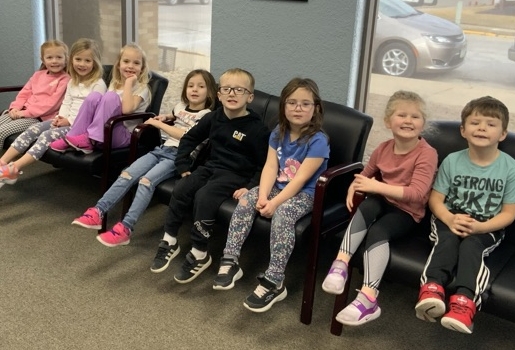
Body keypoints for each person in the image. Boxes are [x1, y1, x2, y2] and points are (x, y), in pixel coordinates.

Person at [321, 91, 438, 325]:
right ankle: (340, 263)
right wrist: (353, 187)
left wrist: (375, 186)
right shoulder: (383, 148)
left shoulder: (427, 154)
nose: (408, 120)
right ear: (388, 121)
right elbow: (365, 174)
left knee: (378, 231)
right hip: (383, 201)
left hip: (408, 212)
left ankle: (369, 298)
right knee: (367, 205)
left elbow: (416, 194)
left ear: (423, 124)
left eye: (415, 116)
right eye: (401, 115)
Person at [215, 78, 330, 312]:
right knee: (246, 199)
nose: (298, 108)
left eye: (305, 104)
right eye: (292, 102)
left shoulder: (319, 141)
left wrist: (275, 203)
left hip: (304, 194)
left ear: (316, 108)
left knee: (284, 214)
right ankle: (231, 259)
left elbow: (300, 179)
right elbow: (270, 166)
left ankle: (275, 280)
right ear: (283, 106)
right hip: (278, 187)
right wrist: (262, 196)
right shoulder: (279, 132)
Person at [415, 96, 515, 334]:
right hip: (450, 217)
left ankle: (464, 303)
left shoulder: (511, 169)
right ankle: (432, 289)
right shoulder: (452, 161)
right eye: (475, 123)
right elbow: (435, 199)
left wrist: (480, 228)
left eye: (491, 124)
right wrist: (449, 218)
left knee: (471, 247)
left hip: (487, 225)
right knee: (446, 240)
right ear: (463, 130)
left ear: (503, 134)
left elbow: (509, 214)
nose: (482, 128)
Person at [150, 68, 270, 284]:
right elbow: (189, 138)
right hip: (211, 167)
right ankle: (170, 240)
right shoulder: (214, 117)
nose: (232, 93)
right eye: (227, 89)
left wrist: (251, 186)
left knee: (204, 196)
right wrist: (183, 164)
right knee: (183, 187)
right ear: (219, 94)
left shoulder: (258, 129)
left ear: (250, 97)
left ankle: (199, 252)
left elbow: (265, 164)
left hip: (236, 175)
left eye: (239, 90)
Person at [72, 69, 218, 246]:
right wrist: (165, 117)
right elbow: (176, 116)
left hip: (180, 156)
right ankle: (98, 211)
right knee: (126, 174)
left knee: (146, 182)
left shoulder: (208, 116)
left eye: (201, 87)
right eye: (191, 86)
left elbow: (187, 136)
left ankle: (126, 228)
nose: (194, 89)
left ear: (210, 92)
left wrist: (158, 124)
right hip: (162, 149)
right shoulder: (180, 106)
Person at [0, 39, 107, 199]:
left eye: (87, 60)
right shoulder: (73, 81)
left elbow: (94, 114)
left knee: (45, 136)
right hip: (65, 122)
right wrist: (60, 118)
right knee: (32, 130)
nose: (82, 64)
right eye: (78, 59)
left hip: (81, 129)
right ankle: (1, 164)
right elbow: (67, 103)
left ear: (95, 62)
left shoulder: (98, 84)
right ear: (72, 59)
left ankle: (13, 169)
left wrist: (69, 121)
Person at [0, 40, 70, 199]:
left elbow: (50, 105)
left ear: (66, 59)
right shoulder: (38, 75)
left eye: (59, 57)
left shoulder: (65, 79)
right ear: (43, 59)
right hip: (21, 112)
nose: (54, 61)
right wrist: (14, 108)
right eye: (50, 57)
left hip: (38, 118)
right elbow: (24, 93)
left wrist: (24, 113)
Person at [49, 43, 151, 154]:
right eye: (126, 61)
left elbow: (127, 110)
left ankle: (91, 139)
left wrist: (128, 83)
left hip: (124, 136)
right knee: (94, 96)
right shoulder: (114, 84)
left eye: (136, 63)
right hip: (106, 132)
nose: (130, 66)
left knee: (111, 96)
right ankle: (73, 136)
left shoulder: (142, 88)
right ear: (118, 65)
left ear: (142, 68)